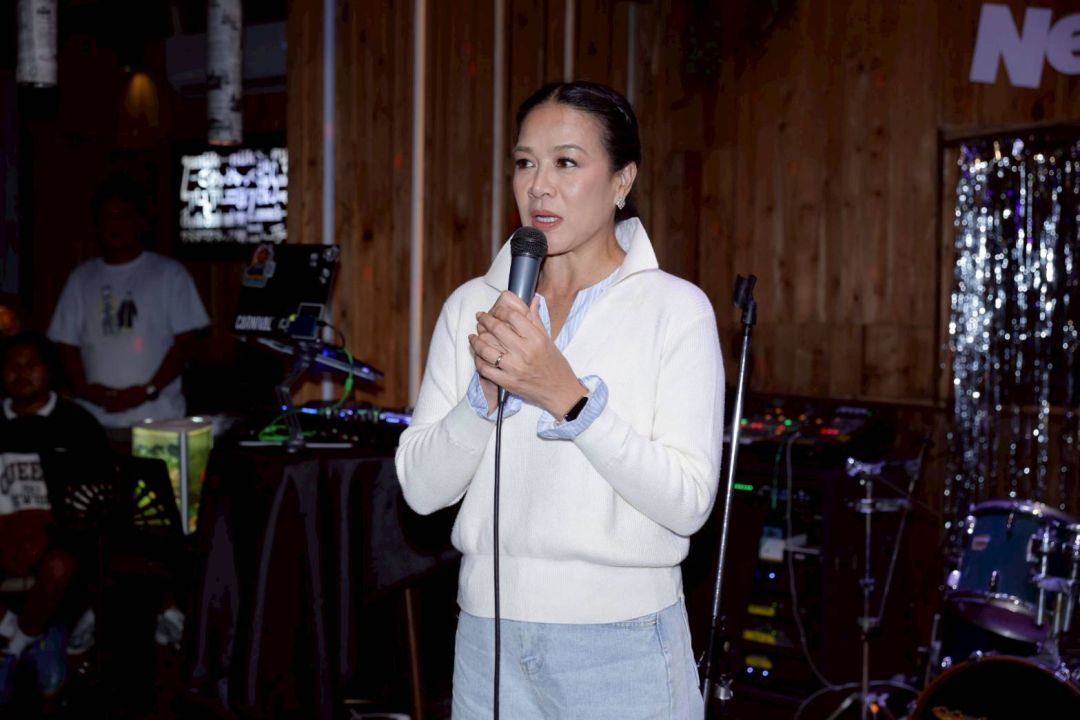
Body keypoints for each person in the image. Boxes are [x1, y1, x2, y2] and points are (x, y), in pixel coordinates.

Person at [395, 81, 724, 719]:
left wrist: (569, 399)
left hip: (623, 643)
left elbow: (687, 502)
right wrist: (482, 397)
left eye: (566, 162)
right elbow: (422, 490)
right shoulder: (473, 305)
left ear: (623, 180)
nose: (539, 186)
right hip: (487, 637)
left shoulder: (675, 309)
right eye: (525, 163)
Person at [0, 332, 113, 705]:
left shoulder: (77, 424)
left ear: (49, 370)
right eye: (11, 366)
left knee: (60, 566)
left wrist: (45, 535)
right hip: (4, 534)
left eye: (31, 365)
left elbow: (95, 505)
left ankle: (14, 647)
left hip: (56, 538)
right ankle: (27, 632)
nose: (21, 374)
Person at [47, 174, 210, 429]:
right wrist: (86, 390)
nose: (115, 225)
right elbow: (66, 344)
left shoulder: (169, 273)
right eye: (107, 217)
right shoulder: (81, 278)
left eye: (123, 216)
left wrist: (147, 390)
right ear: (97, 225)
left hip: (159, 418)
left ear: (140, 222)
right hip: (93, 419)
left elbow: (186, 343)